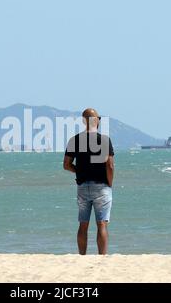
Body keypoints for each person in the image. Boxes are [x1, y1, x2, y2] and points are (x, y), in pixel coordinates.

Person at [63, 108, 115, 255]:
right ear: (96, 121)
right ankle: (102, 257)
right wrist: (110, 183)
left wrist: (79, 172)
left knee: (83, 224)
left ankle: (82, 256)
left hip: (83, 186)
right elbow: (110, 165)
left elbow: (66, 165)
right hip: (102, 186)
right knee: (102, 224)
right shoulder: (104, 140)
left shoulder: (75, 140)